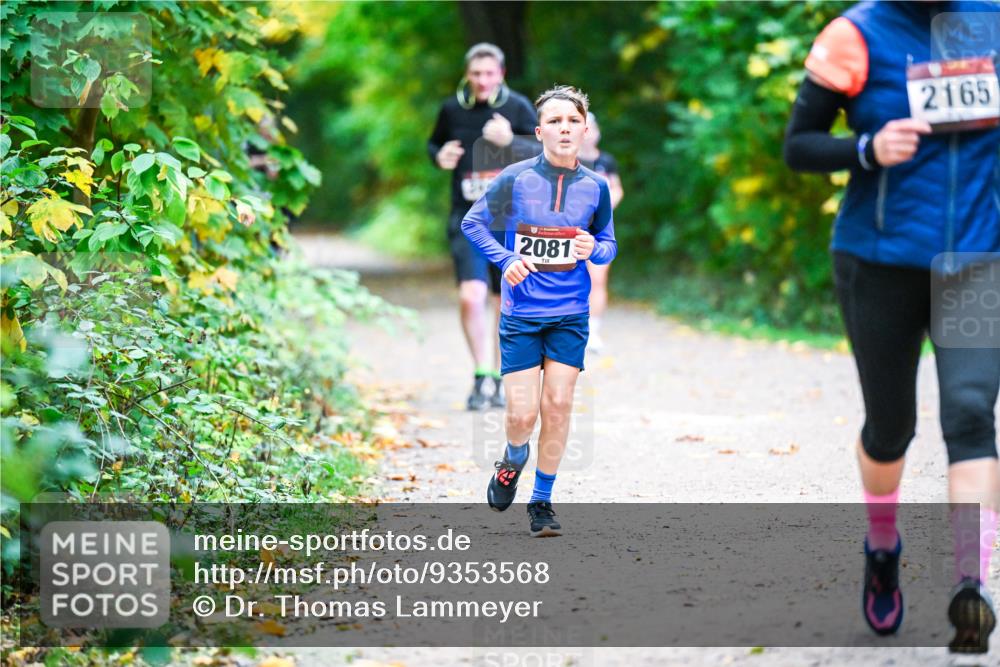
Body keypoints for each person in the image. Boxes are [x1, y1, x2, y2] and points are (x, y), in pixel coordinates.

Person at [784, 1, 1000, 653]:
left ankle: (972, 586)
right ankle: (882, 546)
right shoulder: (855, 34)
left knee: (970, 414)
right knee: (890, 428)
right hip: (879, 262)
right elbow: (799, 146)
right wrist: (867, 148)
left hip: (976, 261)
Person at [462, 85, 617, 536]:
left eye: (573, 121)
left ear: (584, 130)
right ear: (539, 131)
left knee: (559, 404)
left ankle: (542, 501)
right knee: (521, 416)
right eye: (555, 121)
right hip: (522, 315)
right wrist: (505, 259)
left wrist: (593, 248)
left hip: (570, 313)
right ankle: (513, 459)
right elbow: (473, 224)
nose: (564, 128)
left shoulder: (596, 187)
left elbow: (608, 244)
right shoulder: (515, 178)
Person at [428, 43, 540, 410]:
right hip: (468, 219)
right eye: (476, 73)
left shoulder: (518, 107)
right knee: (471, 296)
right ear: (467, 74)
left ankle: (502, 377)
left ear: (501, 74)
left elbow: (545, 154)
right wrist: (439, 156)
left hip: (511, 221)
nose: (482, 80)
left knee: (504, 300)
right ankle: (481, 375)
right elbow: (434, 144)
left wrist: (512, 141)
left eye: (490, 73)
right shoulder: (452, 109)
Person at [578, 112, 624, 353]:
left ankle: (593, 331)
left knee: (598, 278)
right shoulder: (568, 161)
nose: (588, 135)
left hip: (600, 228)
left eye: (592, 129)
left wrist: (605, 208)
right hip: (572, 228)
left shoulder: (607, 161)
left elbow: (617, 189)